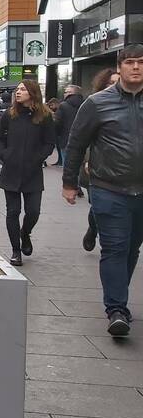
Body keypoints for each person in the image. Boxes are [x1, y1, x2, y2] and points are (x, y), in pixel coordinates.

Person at [63, 46, 143, 336]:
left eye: (141, 63)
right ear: (119, 67)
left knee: (132, 248)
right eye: (130, 62)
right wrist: (69, 183)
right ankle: (117, 309)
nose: (136, 67)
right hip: (109, 188)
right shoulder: (97, 103)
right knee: (115, 247)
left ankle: (118, 295)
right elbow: (76, 144)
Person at [0, 79, 56, 267]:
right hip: (11, 170)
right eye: (17, 89)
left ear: (33, 93)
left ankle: (25, 233)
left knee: (33, 212)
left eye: (23, 89)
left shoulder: (44, 116)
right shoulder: (8, 115)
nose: (18, 92)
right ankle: (15, 250)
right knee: (13, 211)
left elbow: (49, 142)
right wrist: (4, 155)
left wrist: (39, 158)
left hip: (33, 172)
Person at [81, 69, 120, 253]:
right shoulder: (95, 105)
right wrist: (89, 160)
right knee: (97, 206)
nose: (115, 86)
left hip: (127, 170)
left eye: (117, 82)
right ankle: (93, 229)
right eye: (110, 83)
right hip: (99, 167)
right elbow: (84, 138)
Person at [54, 85, 84, 168]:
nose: (65, 94)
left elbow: (57, 123)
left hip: (66, 140)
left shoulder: (63, 105)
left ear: (73, 93)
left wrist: (57, 136)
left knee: (68, 168)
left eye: (68, 92)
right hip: (84, 141)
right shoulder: (86, 104)